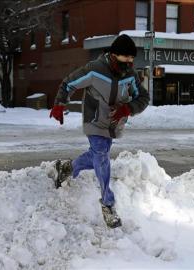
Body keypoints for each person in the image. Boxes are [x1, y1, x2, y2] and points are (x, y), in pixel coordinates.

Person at [49, 34, 149, 228]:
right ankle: (107, 203)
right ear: (114, 54)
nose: (130, 61)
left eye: (131, 58)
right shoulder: (95, 69)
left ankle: (67, 167)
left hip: (114, 122)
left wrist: (127, 108)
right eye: (126, 57)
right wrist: (59, 104)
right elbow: (68, 83)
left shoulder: (130, 75)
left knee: (96, 155)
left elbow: (143, 97)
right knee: (101, 153)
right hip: (94, 120)